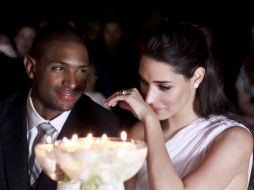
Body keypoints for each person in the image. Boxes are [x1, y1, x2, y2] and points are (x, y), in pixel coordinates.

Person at [106, 22, 253, 190]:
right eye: (144, 82)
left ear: (197, 77)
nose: (148, 99)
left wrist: (150, 120)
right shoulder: (140, 132)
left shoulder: (234, 139)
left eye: (164, 87)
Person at [0, 24, 119, 190]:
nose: (72, 82)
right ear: (31, 67)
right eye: (59, 68)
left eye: (82, 71)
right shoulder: (3, 112)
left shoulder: (105, 130)